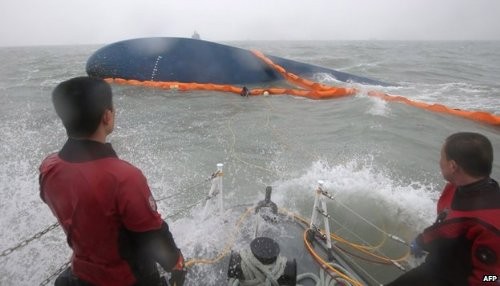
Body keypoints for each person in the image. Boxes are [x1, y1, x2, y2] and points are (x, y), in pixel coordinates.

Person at [39, 77, 185, 286]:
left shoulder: (49, 167)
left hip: (81, 273)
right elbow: (151, 235)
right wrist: (175, 262)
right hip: (126, 279)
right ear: (107, 116)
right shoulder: (124, 177)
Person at [387, 132, 500, 286]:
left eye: (442, 158)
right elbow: (446, 226)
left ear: (453, 166)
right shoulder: (456, 186)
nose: (439, 162)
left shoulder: (489, 224)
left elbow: (493, 278)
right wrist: (422, 241)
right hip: (438, 267)